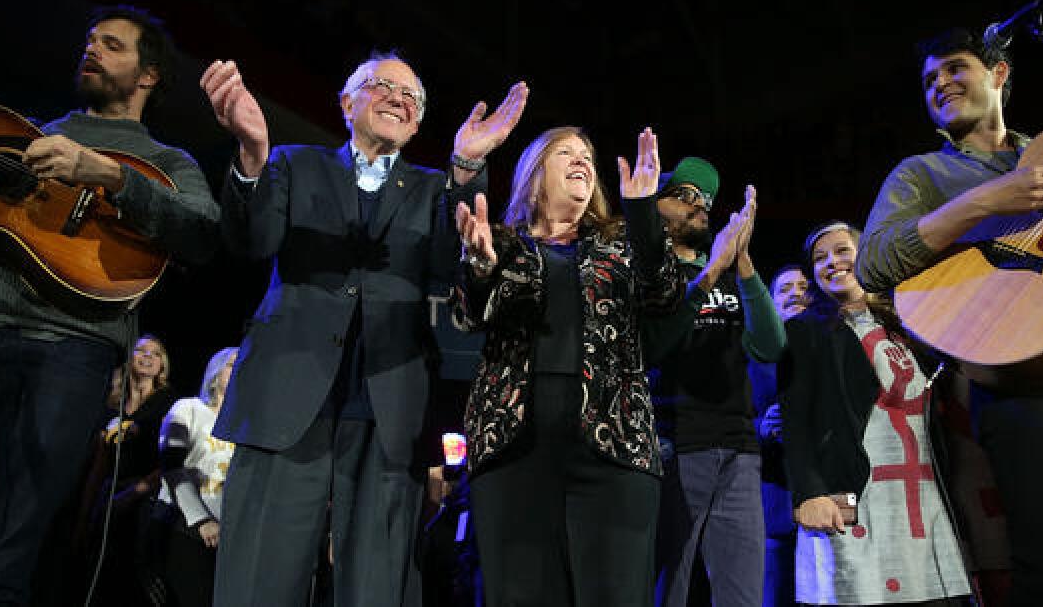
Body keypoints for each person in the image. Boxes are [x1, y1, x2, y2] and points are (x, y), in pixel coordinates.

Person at [0, 4, 219, 606]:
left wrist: (108, 175)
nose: (92, 50)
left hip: (69, 347)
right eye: (88, 41)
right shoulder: (12, 131)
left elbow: (202, 231)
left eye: (111, 44)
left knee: (11, 547)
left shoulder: (168, 160)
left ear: (148, 76)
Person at [199, 52, 528, 606]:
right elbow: (249, 242)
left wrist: (467, 168)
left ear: (419, 124)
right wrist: (252, 155)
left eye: (412, 98)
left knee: (376, 588)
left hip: (387, 412)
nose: (399, 99)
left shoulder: (432, 190)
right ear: (348, 102)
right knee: (257, 580)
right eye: (383, 86)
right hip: (285, 401)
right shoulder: (292, 163)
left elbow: (452, 267)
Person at [855, 26, 1043, 605]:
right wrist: (983, 202)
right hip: (1029, 375)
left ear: (999, 74)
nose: (940, 83)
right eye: (928, 80)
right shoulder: (922, 174)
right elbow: (874, 261)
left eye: (954, 68)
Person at [451, 125, 683, 607]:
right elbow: (467, 316)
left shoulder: (622, 245)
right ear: (535, 175)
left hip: (615, 449)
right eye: (565, 153)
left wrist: (642, 209)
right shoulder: (502, 243)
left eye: (587, 156)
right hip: (513, 447)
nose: (582, 161)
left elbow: (664, 295)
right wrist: (477, 271)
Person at [781, 221, 971, 605]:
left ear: (867, 254)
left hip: (922, 497)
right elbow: (796, 421)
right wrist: (809, 493)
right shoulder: (806, 332)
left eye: (842, 250)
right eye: (820, 259)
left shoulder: (910, 326)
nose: (831, 263)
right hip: (854, 499)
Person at [642, 157, 786, 607]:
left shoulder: (730, 276)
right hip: (675, 446)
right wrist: (710, 272)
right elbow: (655, 347)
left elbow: (770, 344)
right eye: (684, 196)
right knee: (668, 589)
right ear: (654, 208)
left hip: (739, 449)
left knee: (743, 594)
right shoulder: (650, 275)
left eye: (704, 200)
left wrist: (741, 262)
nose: (699, 205)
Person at [81, 333, 179, 605]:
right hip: (108, 499)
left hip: (143, 499)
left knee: (132, 584)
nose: (148, 356)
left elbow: (173, 461)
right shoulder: (110, 405)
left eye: (156, 353)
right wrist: (86, 515)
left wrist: (134, 492)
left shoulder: (167, 403)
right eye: (141, 350)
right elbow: (98, 467)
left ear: (162, 366)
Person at [154, 346, 239, 607]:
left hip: (226, 534)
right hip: (183, 524)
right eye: (232, 364)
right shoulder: (189, 408)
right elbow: (171, 465)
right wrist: (201, 520)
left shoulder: (246, 428)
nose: (239, 369)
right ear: (215, 373)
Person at [747, 263, 808, 607]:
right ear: (769, 303)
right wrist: (762, 429)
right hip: (775, 505)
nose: (797, 293)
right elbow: (729, 422)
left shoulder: (834, 347)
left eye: (804, 287)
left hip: (832, 502)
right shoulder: (751, 358)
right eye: (785, 289)